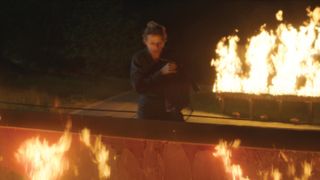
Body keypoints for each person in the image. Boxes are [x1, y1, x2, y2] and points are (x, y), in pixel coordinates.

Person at [130, 21, 187, 121]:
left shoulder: (171, 56)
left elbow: (183, 82)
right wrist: (160, 73)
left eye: (159, 43)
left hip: (171, 112)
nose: (156, 47)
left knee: (178, 135)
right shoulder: (139, 58)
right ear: (145, 41)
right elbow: (139, 87)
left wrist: (180, 103)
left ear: (164, 41)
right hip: (148, 111)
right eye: (152, 43)